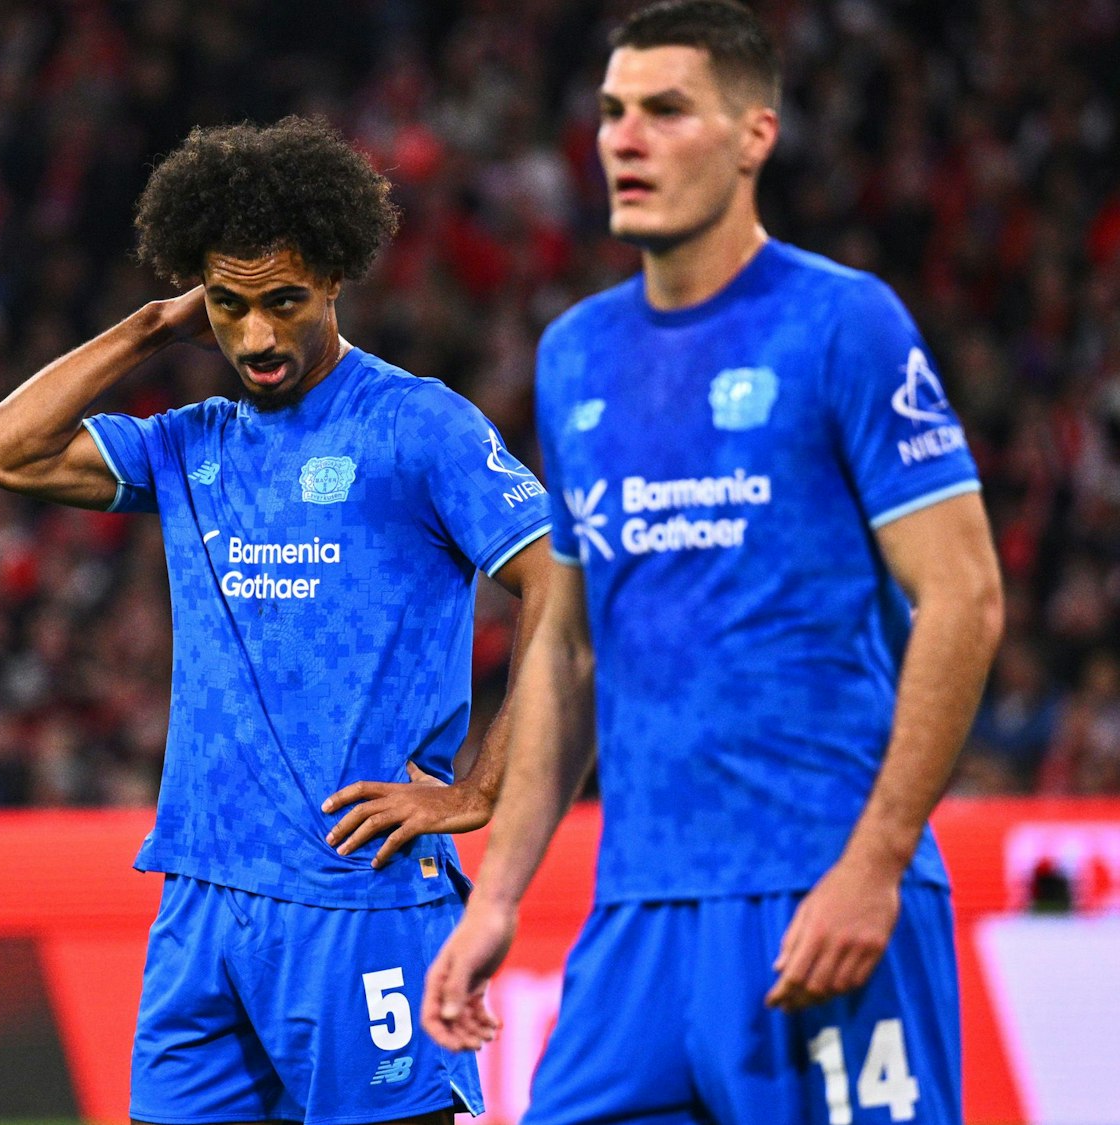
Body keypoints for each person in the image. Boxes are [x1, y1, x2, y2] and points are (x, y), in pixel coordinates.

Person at [420, 4, 1004, 1124]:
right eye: (609, 113)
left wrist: (872, 865)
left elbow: (964, 598)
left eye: (664, 111)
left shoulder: (843, 323)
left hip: (816, 891)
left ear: (753, 136)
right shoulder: (574, 352)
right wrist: (496, 894)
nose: (623, 140)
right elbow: (570, 648)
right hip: (635, 916)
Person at [0, 116, 556, 1125]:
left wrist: (479, 791)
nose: (254, 338)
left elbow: (566, 588)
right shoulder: (188, 442)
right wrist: (153, 327)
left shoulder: (417, 427)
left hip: (355, 899)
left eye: (281, 302)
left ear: (333, 278)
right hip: (199, 896)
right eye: (230, 306)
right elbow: (3, 449)